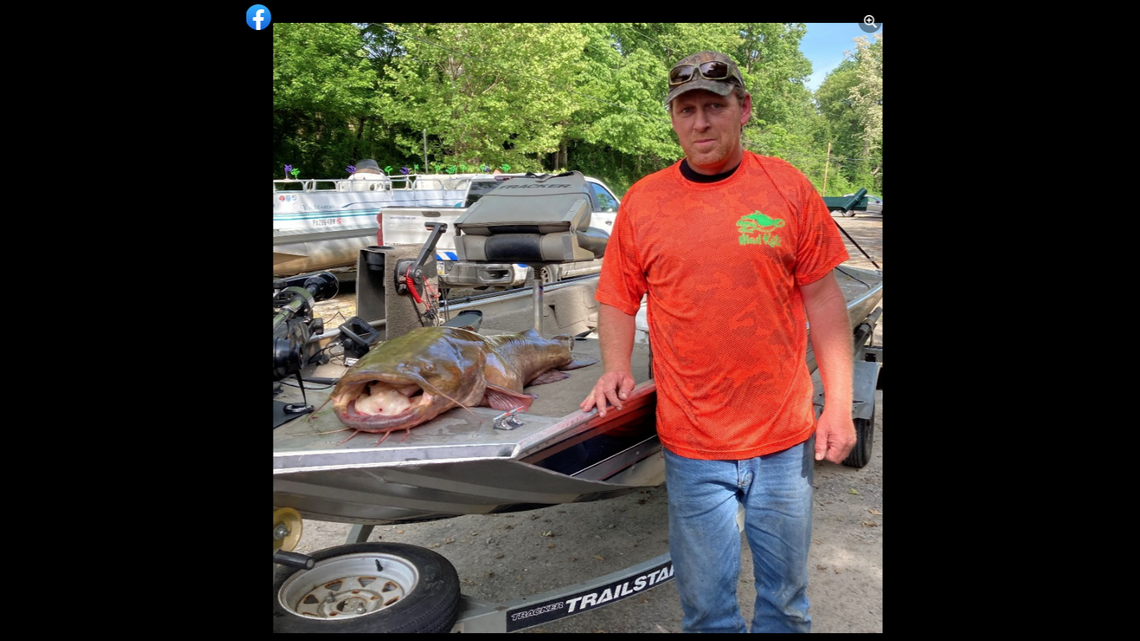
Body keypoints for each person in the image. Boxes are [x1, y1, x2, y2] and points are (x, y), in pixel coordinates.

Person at [579, 50, 855, 633]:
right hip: (692, 443)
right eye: (687, 110)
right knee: (707, 610)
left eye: (714, 106)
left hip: (783, 438)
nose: (701, 122)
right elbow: (616, 295)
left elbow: (825, 301)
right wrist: (611, 366)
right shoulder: (644, 201)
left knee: (786, 603)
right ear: (673, 119)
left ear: (743, 109)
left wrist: (839, 404)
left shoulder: (788, 188)